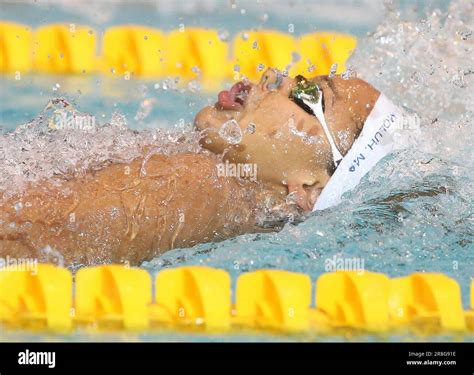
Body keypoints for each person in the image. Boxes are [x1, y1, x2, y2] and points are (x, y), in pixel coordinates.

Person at [0, 68, 401, 266]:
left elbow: (23, 226)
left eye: (308, 93)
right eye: (296, 77)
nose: (272, 77)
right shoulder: (207, 169)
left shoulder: (204, 184)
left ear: (309, 189)